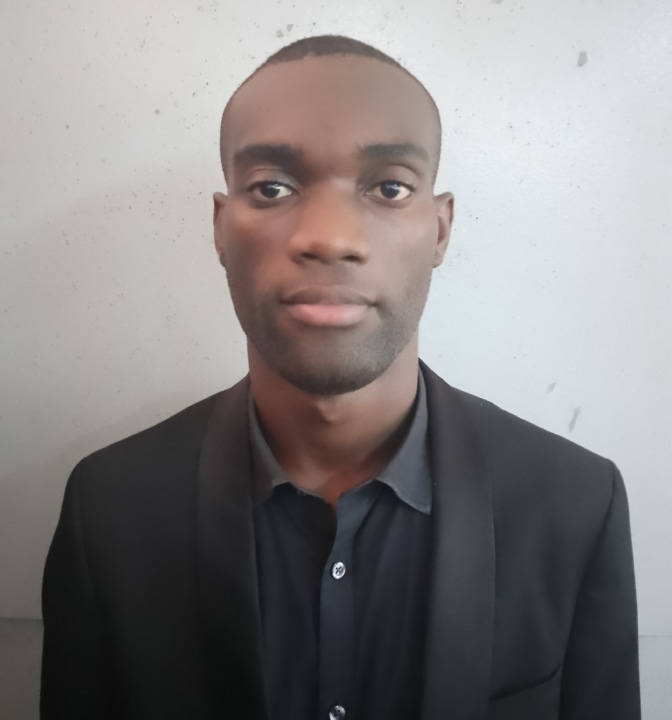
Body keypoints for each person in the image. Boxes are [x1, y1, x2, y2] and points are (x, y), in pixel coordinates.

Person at [40, 35, 640, 720]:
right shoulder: (109, 512)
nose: (329, 237)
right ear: (221, 229)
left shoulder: (574, 506)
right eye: (272, 187)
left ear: (440, 229)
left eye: (389, 187)